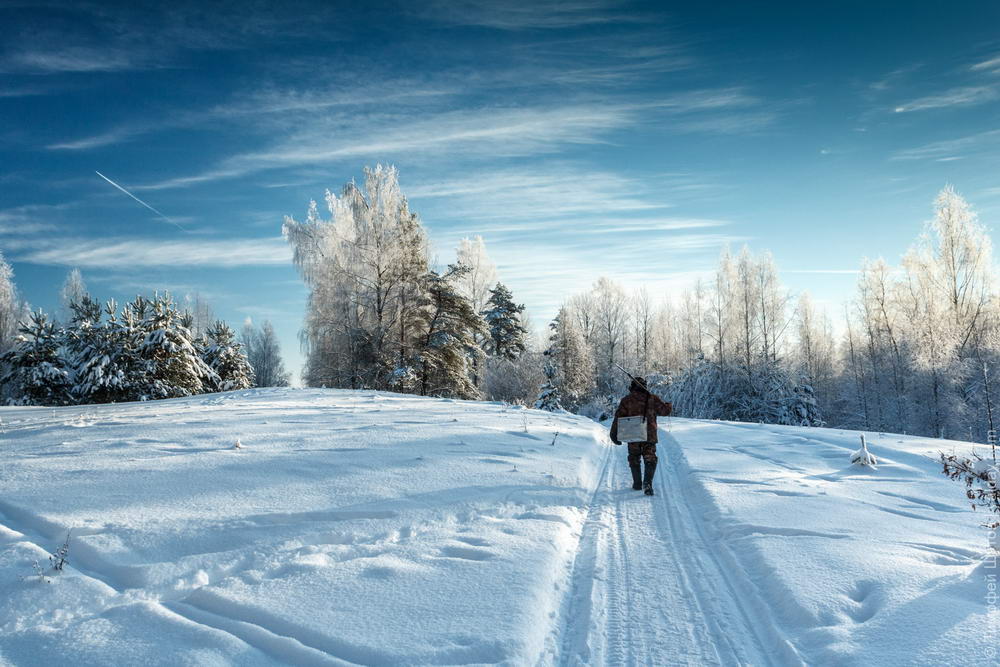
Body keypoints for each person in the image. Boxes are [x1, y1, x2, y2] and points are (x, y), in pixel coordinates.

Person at [610, 377, 672, 495]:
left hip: (633, 434)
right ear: (645, 386)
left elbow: (618, 418)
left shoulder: (626, 400)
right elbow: (665, 411)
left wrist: (613, 434)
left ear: (632, 387)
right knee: (650, 457)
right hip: (649, 434)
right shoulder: (652, 399)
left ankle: (637, 483)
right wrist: (668, 405)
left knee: (634, 457)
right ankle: (647, 483)